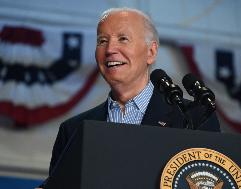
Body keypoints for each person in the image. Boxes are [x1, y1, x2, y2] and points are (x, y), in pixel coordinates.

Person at [38, 7, 220, 188]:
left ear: (151, 52)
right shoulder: (73, 130)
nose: (110, 49)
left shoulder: (193, 119)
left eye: (123, 39)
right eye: (102, 40)